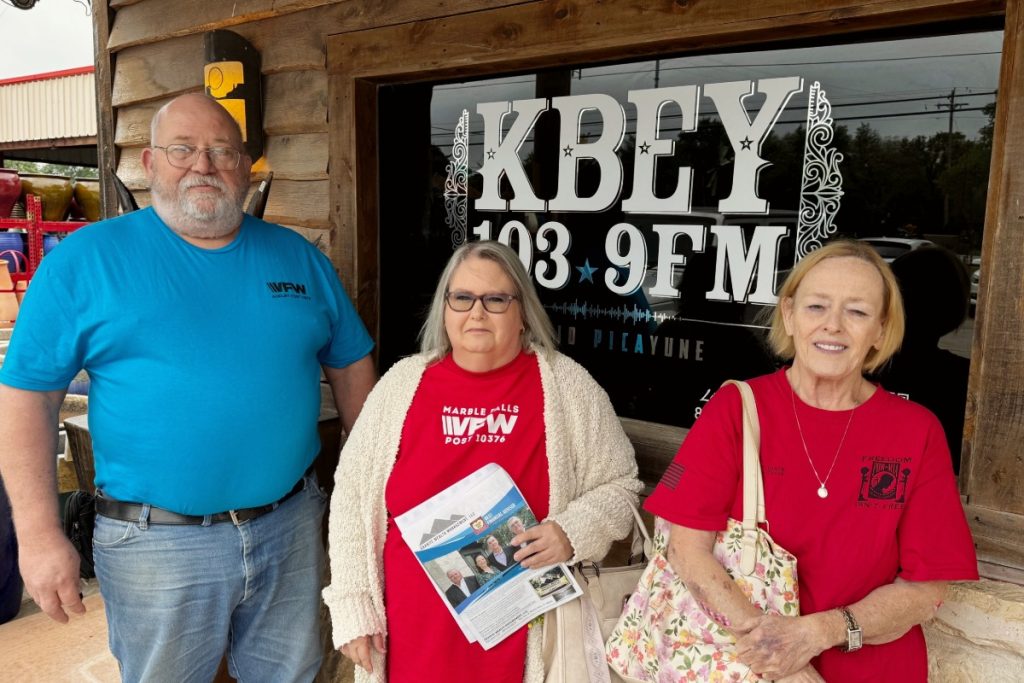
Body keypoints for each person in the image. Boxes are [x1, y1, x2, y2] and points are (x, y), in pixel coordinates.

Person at [0, 93, 376, 682]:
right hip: (156, 543)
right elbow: (28, 399)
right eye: (183, 150)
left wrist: (369, 482)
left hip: (291, 526)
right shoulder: (85, 261)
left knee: (294, 676)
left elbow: (352, 363)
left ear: (245, 166)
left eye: (221, 151)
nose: (203, 164)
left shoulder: (299, 259)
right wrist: (41, 536)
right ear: (149, 164)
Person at [644, 240, 978, 682]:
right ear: (789, 315)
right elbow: (686, 548)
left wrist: (817, 633)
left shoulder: (916, 430)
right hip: (750, 667)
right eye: (817, 306)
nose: (833, 326)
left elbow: (928, 586)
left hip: (871, 669)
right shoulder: (737, 408)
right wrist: (783, 659)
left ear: (881, 329)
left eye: (857, 312)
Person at [323, 240, 642, 683]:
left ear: (523, 312)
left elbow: (622, 485)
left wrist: (572, 532)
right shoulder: (402, 384)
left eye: (495, 300)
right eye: (463, 298)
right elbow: (352, 497)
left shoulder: (566, 385)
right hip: (409, 632)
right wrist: (355, 606)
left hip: (523, 628)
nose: (477, 313)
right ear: (445, 307)